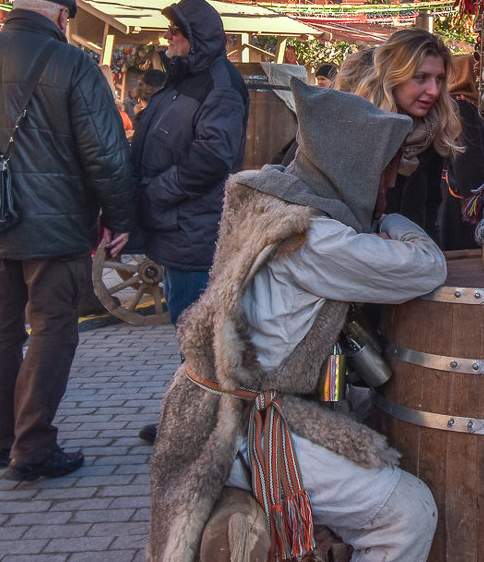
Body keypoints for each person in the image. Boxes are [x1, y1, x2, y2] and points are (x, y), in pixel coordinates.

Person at [147, 80, 445, 562]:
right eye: (384, 172)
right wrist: (393, 225)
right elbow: (425, 268)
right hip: (242, 425)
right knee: (408, 511)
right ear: (353, 168)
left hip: (211, 406)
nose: (390, 184)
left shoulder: (272, 199)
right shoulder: (312, 238)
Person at [0, 0, 136, 481]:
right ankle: (32, 446)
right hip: (56, 227)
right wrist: (120, 218)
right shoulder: (73, 64)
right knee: (53, 328)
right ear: (61, 17)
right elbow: (105, 152)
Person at [130, 0, 248, 445]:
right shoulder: (188, 79)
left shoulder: (217, 84)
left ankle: (201, 429)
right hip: (180, 227)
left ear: (197, 39)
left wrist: (157, 193)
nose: (169, 41)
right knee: (191, 333)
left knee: (197, 336)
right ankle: (193, 421)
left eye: (176, 34)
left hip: (195, 228)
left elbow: (210, 157)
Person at [353, 28, 484, 250]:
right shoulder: (353, 126)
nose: (434, 91)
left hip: (410, 259)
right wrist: (364, 240)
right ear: (392, 77)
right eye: (421, 78)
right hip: (357, 261)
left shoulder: (432, 132)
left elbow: (428, 213)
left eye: (439, 79)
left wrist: (429, 252)